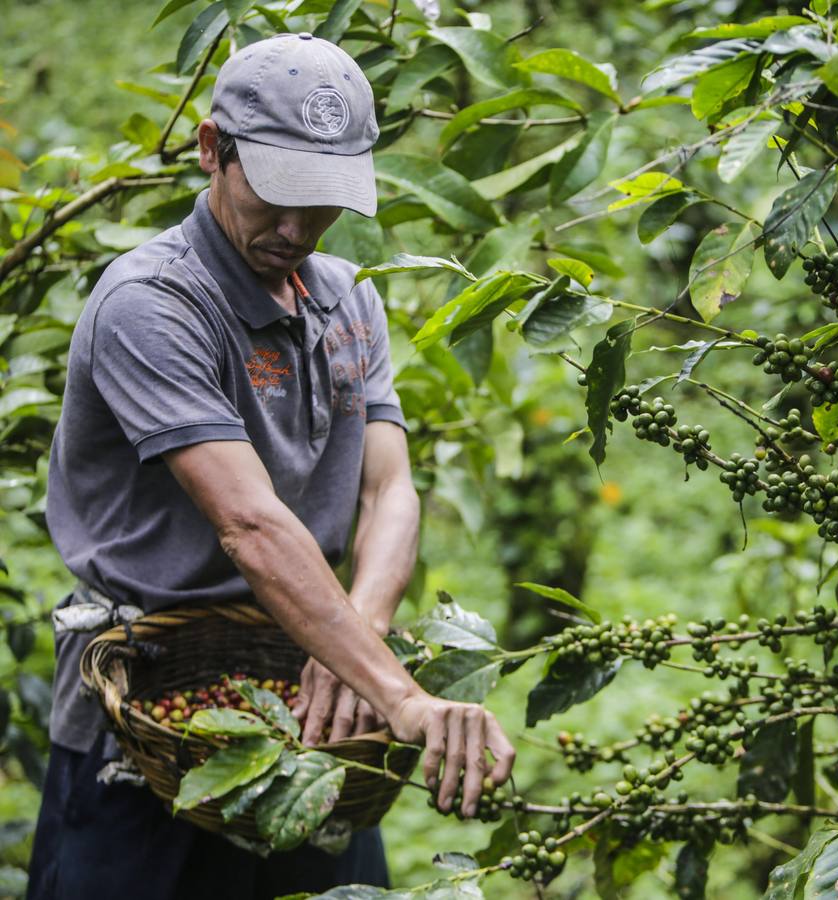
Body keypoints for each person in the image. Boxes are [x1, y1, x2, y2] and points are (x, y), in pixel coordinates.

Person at [27, 32, 515, 900]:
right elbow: (248, 524)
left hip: (304, 703)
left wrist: (356, 641)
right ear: (214, 150)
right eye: (276, 195)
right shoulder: (154, 303)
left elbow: (388, 486)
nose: (296, 230)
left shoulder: (346, 296)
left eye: (322, 201)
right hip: (144, 715)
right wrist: (403, 700)